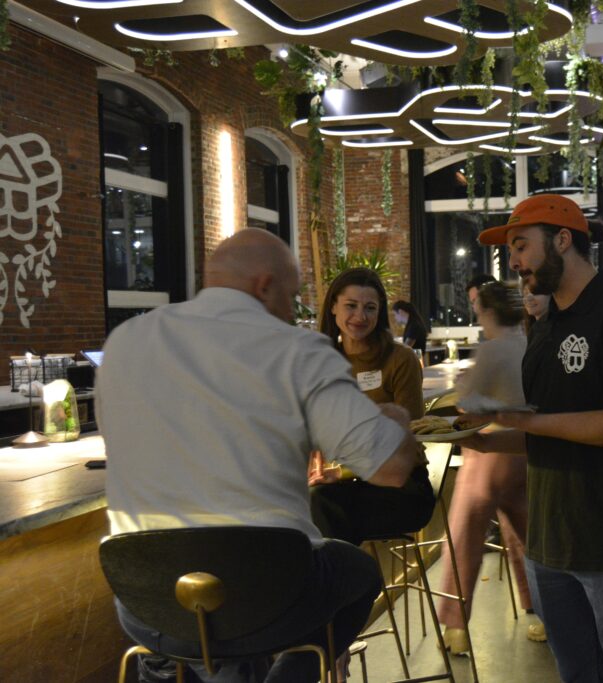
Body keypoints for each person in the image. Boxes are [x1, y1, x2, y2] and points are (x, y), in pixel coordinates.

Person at [97, 229, 421, 683]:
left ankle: (168, 669)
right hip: (266, 594)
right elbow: (391, 469)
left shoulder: (125, 342)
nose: (292, 313)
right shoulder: (298, 351)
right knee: (359, 573)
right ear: (265, 285)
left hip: (145, 599)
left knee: (213, 617)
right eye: (291, 298)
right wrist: (398, 422)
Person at [465, 194, 603, 683]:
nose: (513, 262)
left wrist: (526, 423)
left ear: (562, 240)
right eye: (509, 251)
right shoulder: (546, 324)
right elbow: (552, 428)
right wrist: (487, 441)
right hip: (548, 543)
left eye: (520, 246)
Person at [437, 281, 539, 654]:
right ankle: (541, 609)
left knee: (464, 536)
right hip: (525, 450)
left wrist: (466, 387)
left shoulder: (492, 350)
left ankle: (456, 627)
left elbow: (469, 402)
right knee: (528, 536)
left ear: (484, 310)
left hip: (491, 450)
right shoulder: (527, 343)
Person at [308, 268, 435, 545]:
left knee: (320, 507)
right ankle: (339, 583)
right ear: (333, 307)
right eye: (351, 306)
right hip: (339, 485)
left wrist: (342, 471)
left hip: (401, 487)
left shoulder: (400, 359)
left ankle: (342, 584)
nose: (360, 317)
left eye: (370, 308)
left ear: (379, 314)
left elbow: (406, 440)